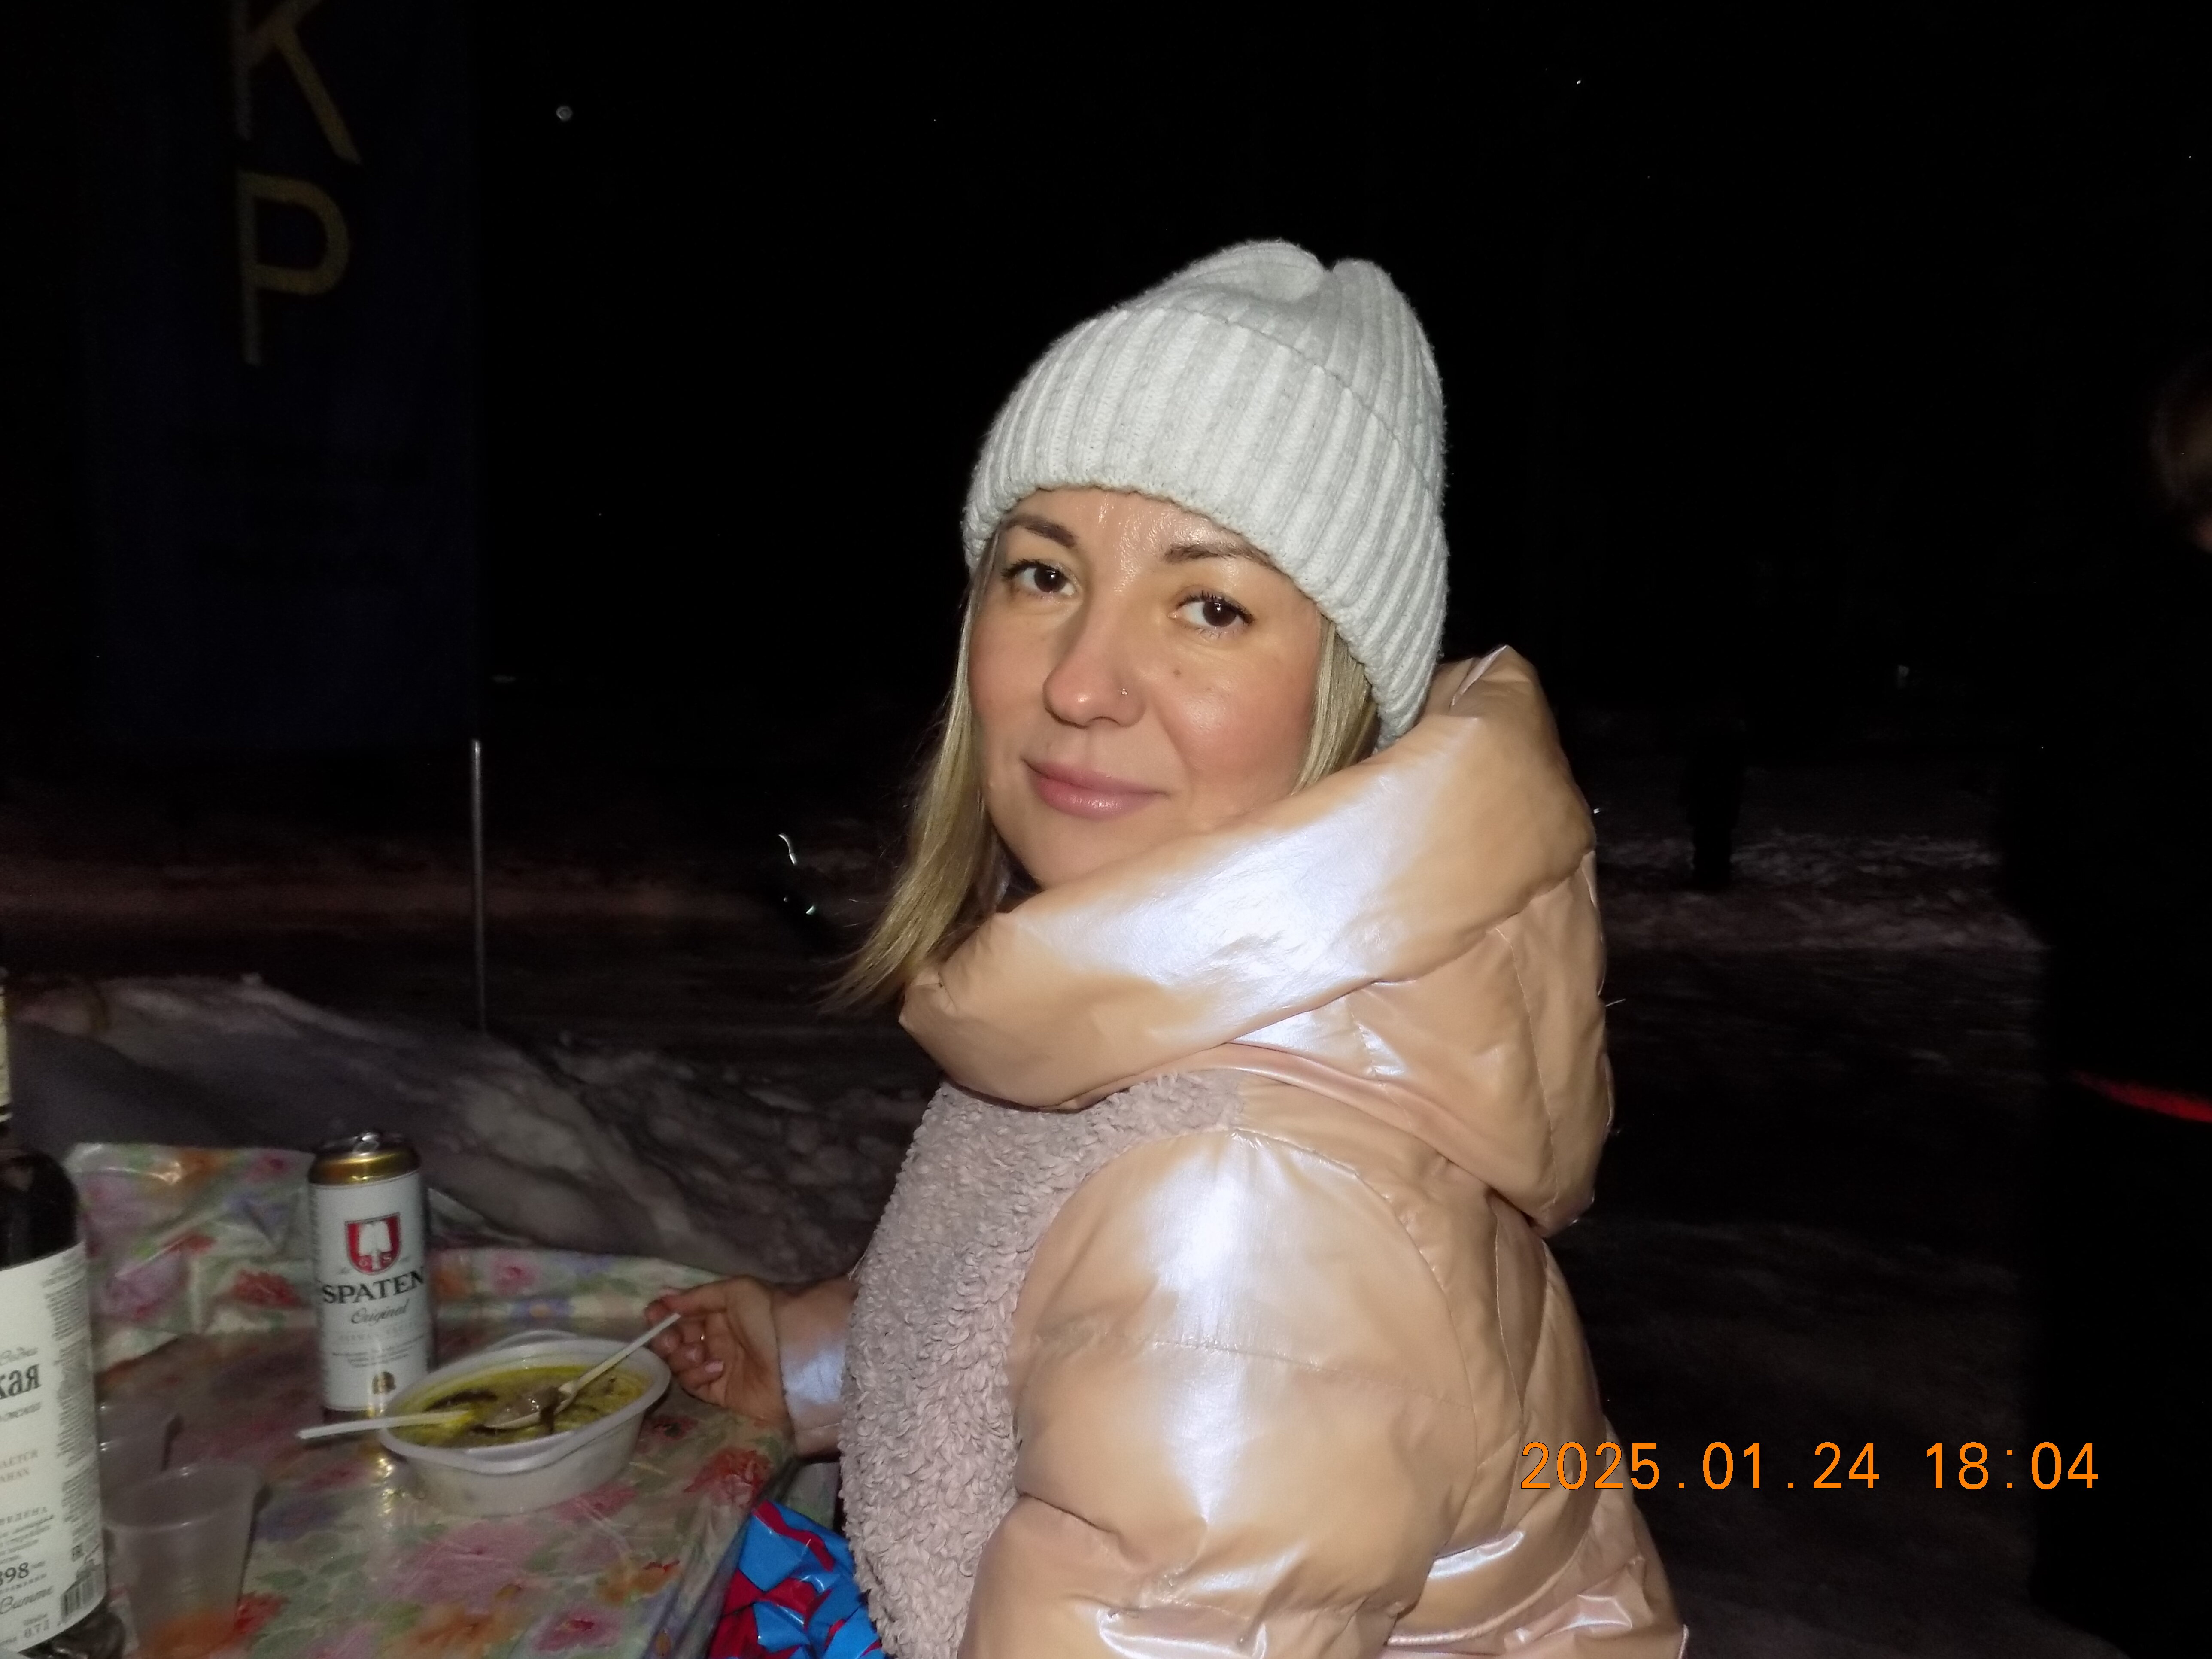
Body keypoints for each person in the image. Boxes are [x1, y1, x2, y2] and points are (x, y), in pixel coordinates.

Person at [651, 243, 1683, 1658]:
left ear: (1344, 699)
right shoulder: (1148, 1005)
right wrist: (810, 1358)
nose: (1082, 681)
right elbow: (1038, 1332)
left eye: (1211, 605)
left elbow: (1188, 1347)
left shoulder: (1249, 1215)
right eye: (1041, 573)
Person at [2001, 356, 2212, 1659]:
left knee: (2131, 1405)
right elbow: (2051, 858)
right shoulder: (2120, 639)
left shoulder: (2107, 634)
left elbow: (2043, 860)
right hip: (2148, 1096)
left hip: (2128, 1087)